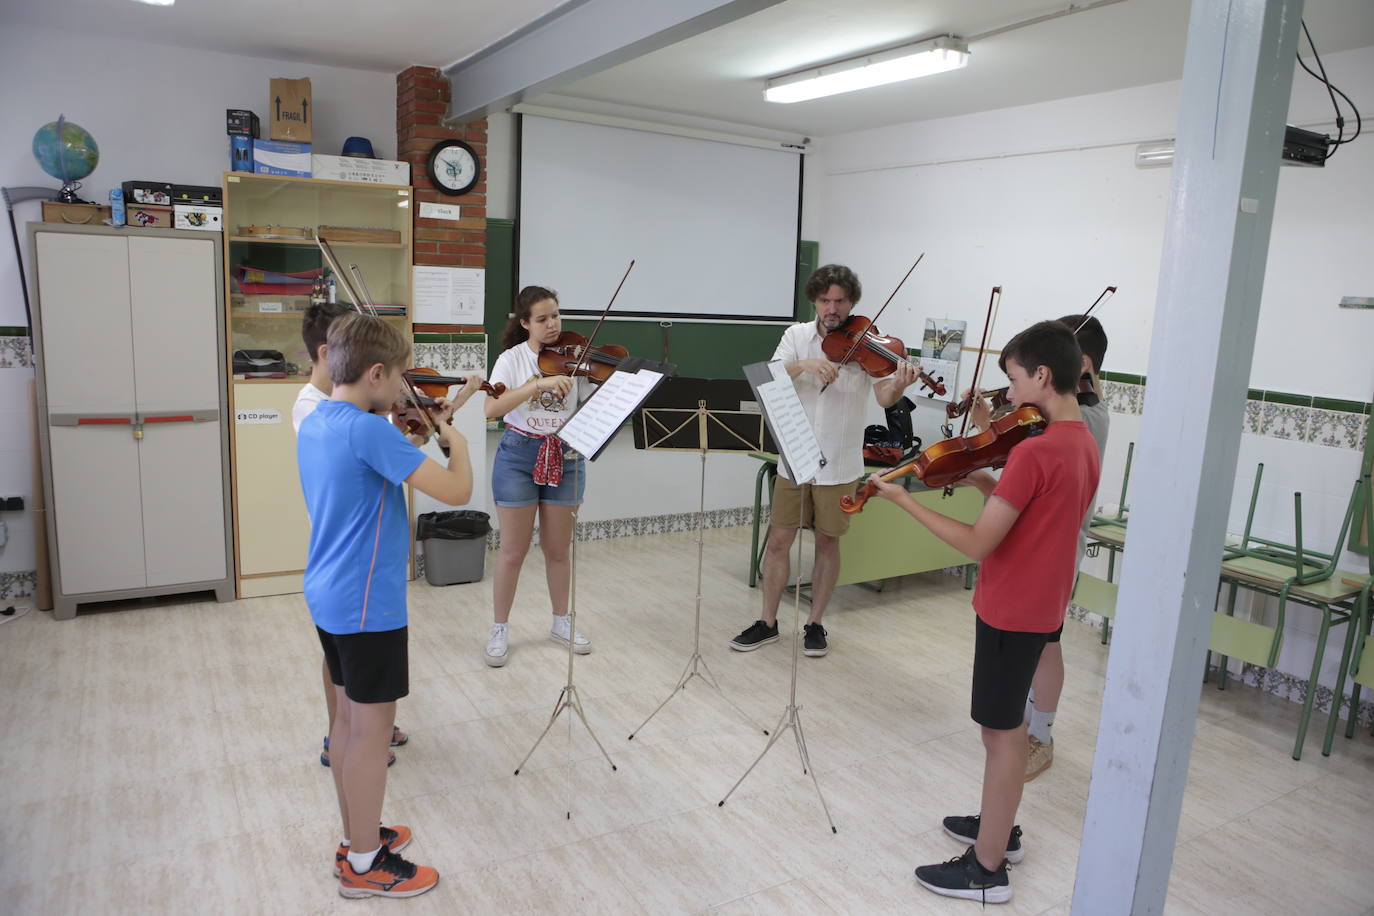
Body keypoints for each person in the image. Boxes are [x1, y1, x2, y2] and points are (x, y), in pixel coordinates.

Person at [866, 320, 1100, 903]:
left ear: (1042, 375)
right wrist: (984, 482)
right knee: (1011, 728)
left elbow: (976, 545)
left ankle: (986, 868)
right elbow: (1034, 514)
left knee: (1001, 735)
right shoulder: (1081, 441)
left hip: (1010, 606)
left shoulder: (1035, 450)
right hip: (1043, 602)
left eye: (1015, 379)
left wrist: (901, 500)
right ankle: (1002, 829)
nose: (1009, 395)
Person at [297, 311, 483, 899]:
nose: (405, 387)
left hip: (328, 593)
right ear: (375, 373)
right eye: (399, 376)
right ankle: (363, 862)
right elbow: (457, 490)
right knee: (370, 734)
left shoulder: (319, 419)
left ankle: (358, 834)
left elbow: (376, 467)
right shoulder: (370, 431)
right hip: (366, 603)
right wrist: (457, 444)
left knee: (347, 726)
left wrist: (415, 435)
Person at [730, 264, 917, 658]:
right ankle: (767, 622)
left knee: (828, 542)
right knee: (780, 539)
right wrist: (806, 365)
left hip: (839, 460)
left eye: (840, 301)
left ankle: (815, 624)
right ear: (814, 300)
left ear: (851, 302)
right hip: (795, 456)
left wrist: (898, 383)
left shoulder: (867, 343)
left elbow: (884, 398)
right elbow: (767, 376)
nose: (833, 308)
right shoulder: (796, 336)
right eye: (825, 300)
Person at [967, 314, 1109, 781]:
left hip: (1042, 563)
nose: (1010, 391)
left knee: (1045, 649)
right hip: (1041, 550)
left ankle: (1039, 735)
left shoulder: (1080, 423)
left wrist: (992, 439)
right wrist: (993, 432)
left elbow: (1028, 461)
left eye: (1015, 380)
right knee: (1041, 650)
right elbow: (1020, 475)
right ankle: (1027, 732)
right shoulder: (1072, 424)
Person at [293, 302, 407, 768]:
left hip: (332, 575)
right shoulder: (317, 411)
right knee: (347, 677)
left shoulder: (333, 415)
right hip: (357, 577)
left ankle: (354, 725)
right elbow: (455, 487)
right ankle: (349, 731)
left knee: (344, 660)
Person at [481, 286, 593, 667]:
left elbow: (594, 402)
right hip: (518, 455)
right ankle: (499, 628)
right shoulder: (511, 360)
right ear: (525, 323)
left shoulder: (576, 356)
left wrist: (609, 381)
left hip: (566, 453)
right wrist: (536, 384)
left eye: (556, 317)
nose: (552, 325)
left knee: (558, 549)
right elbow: (491, 407)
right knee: (513, 550)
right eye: (542, 319)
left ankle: (561, 622)